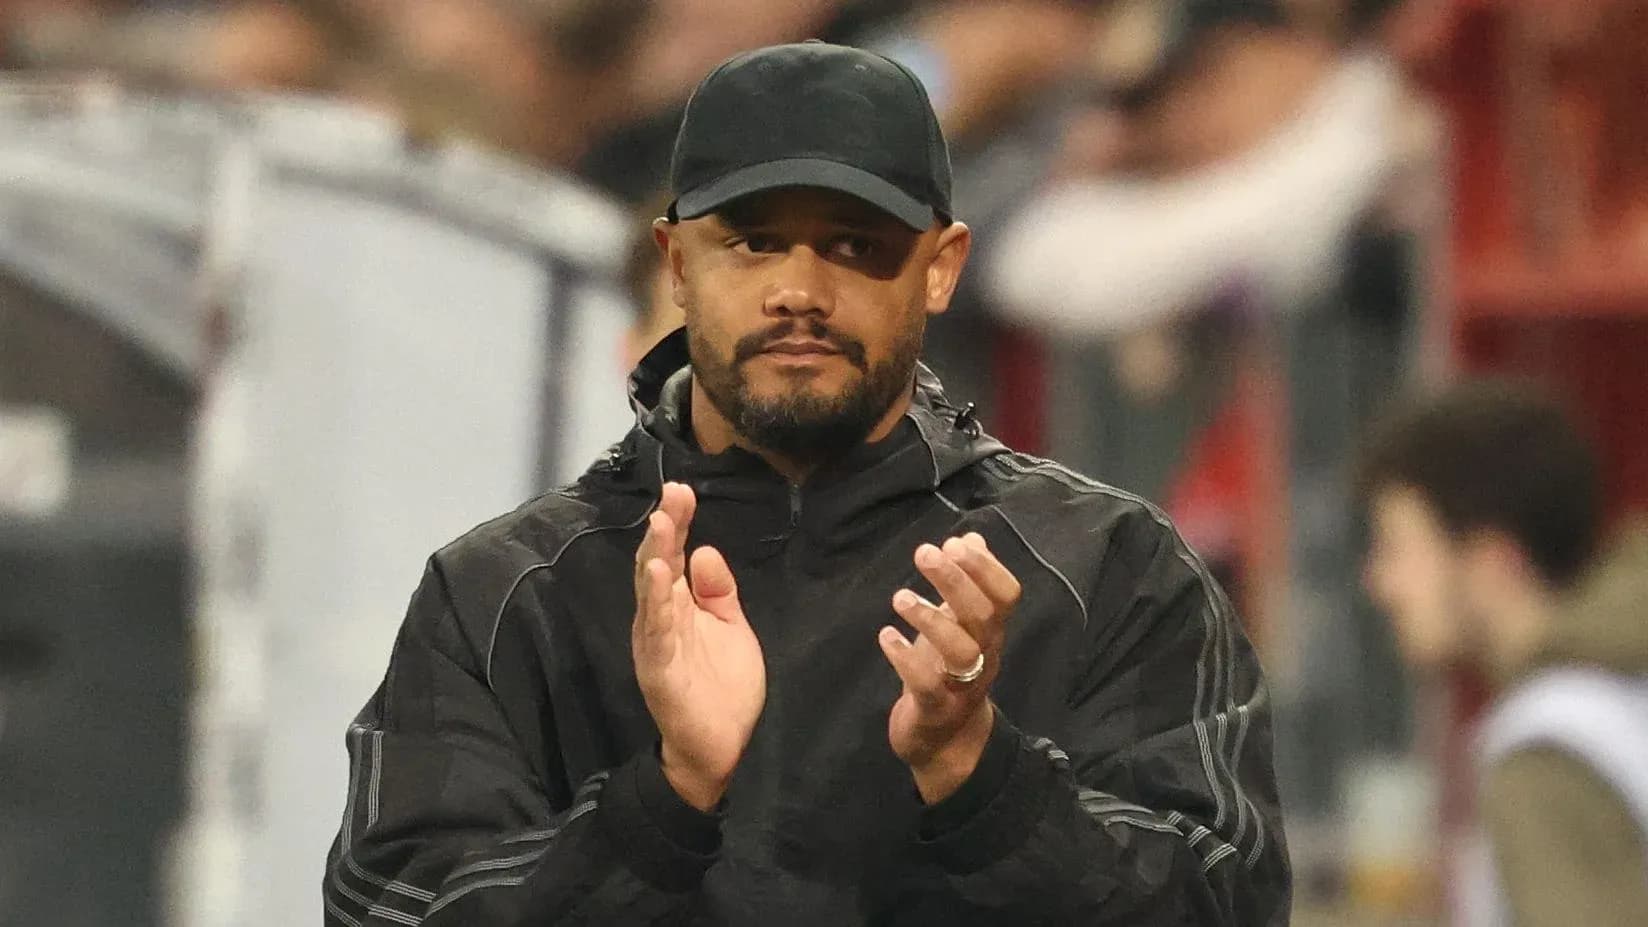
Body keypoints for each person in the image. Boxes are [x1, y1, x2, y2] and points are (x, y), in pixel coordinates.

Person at [324, 41, 1288, 925]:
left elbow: (1228, 903)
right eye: (751, 242)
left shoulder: (1112, 570)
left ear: (942, 266)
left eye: (855, 244)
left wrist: (981, 775)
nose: (799, 289)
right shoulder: (502, 595)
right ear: (677, 263)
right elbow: (394, 909)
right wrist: (663, 800)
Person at [1358, 380, 1648, 927]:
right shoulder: (1620, 692)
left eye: (1396, 545)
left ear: (1493, 561)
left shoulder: (1551, 749)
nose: (1378, 581)